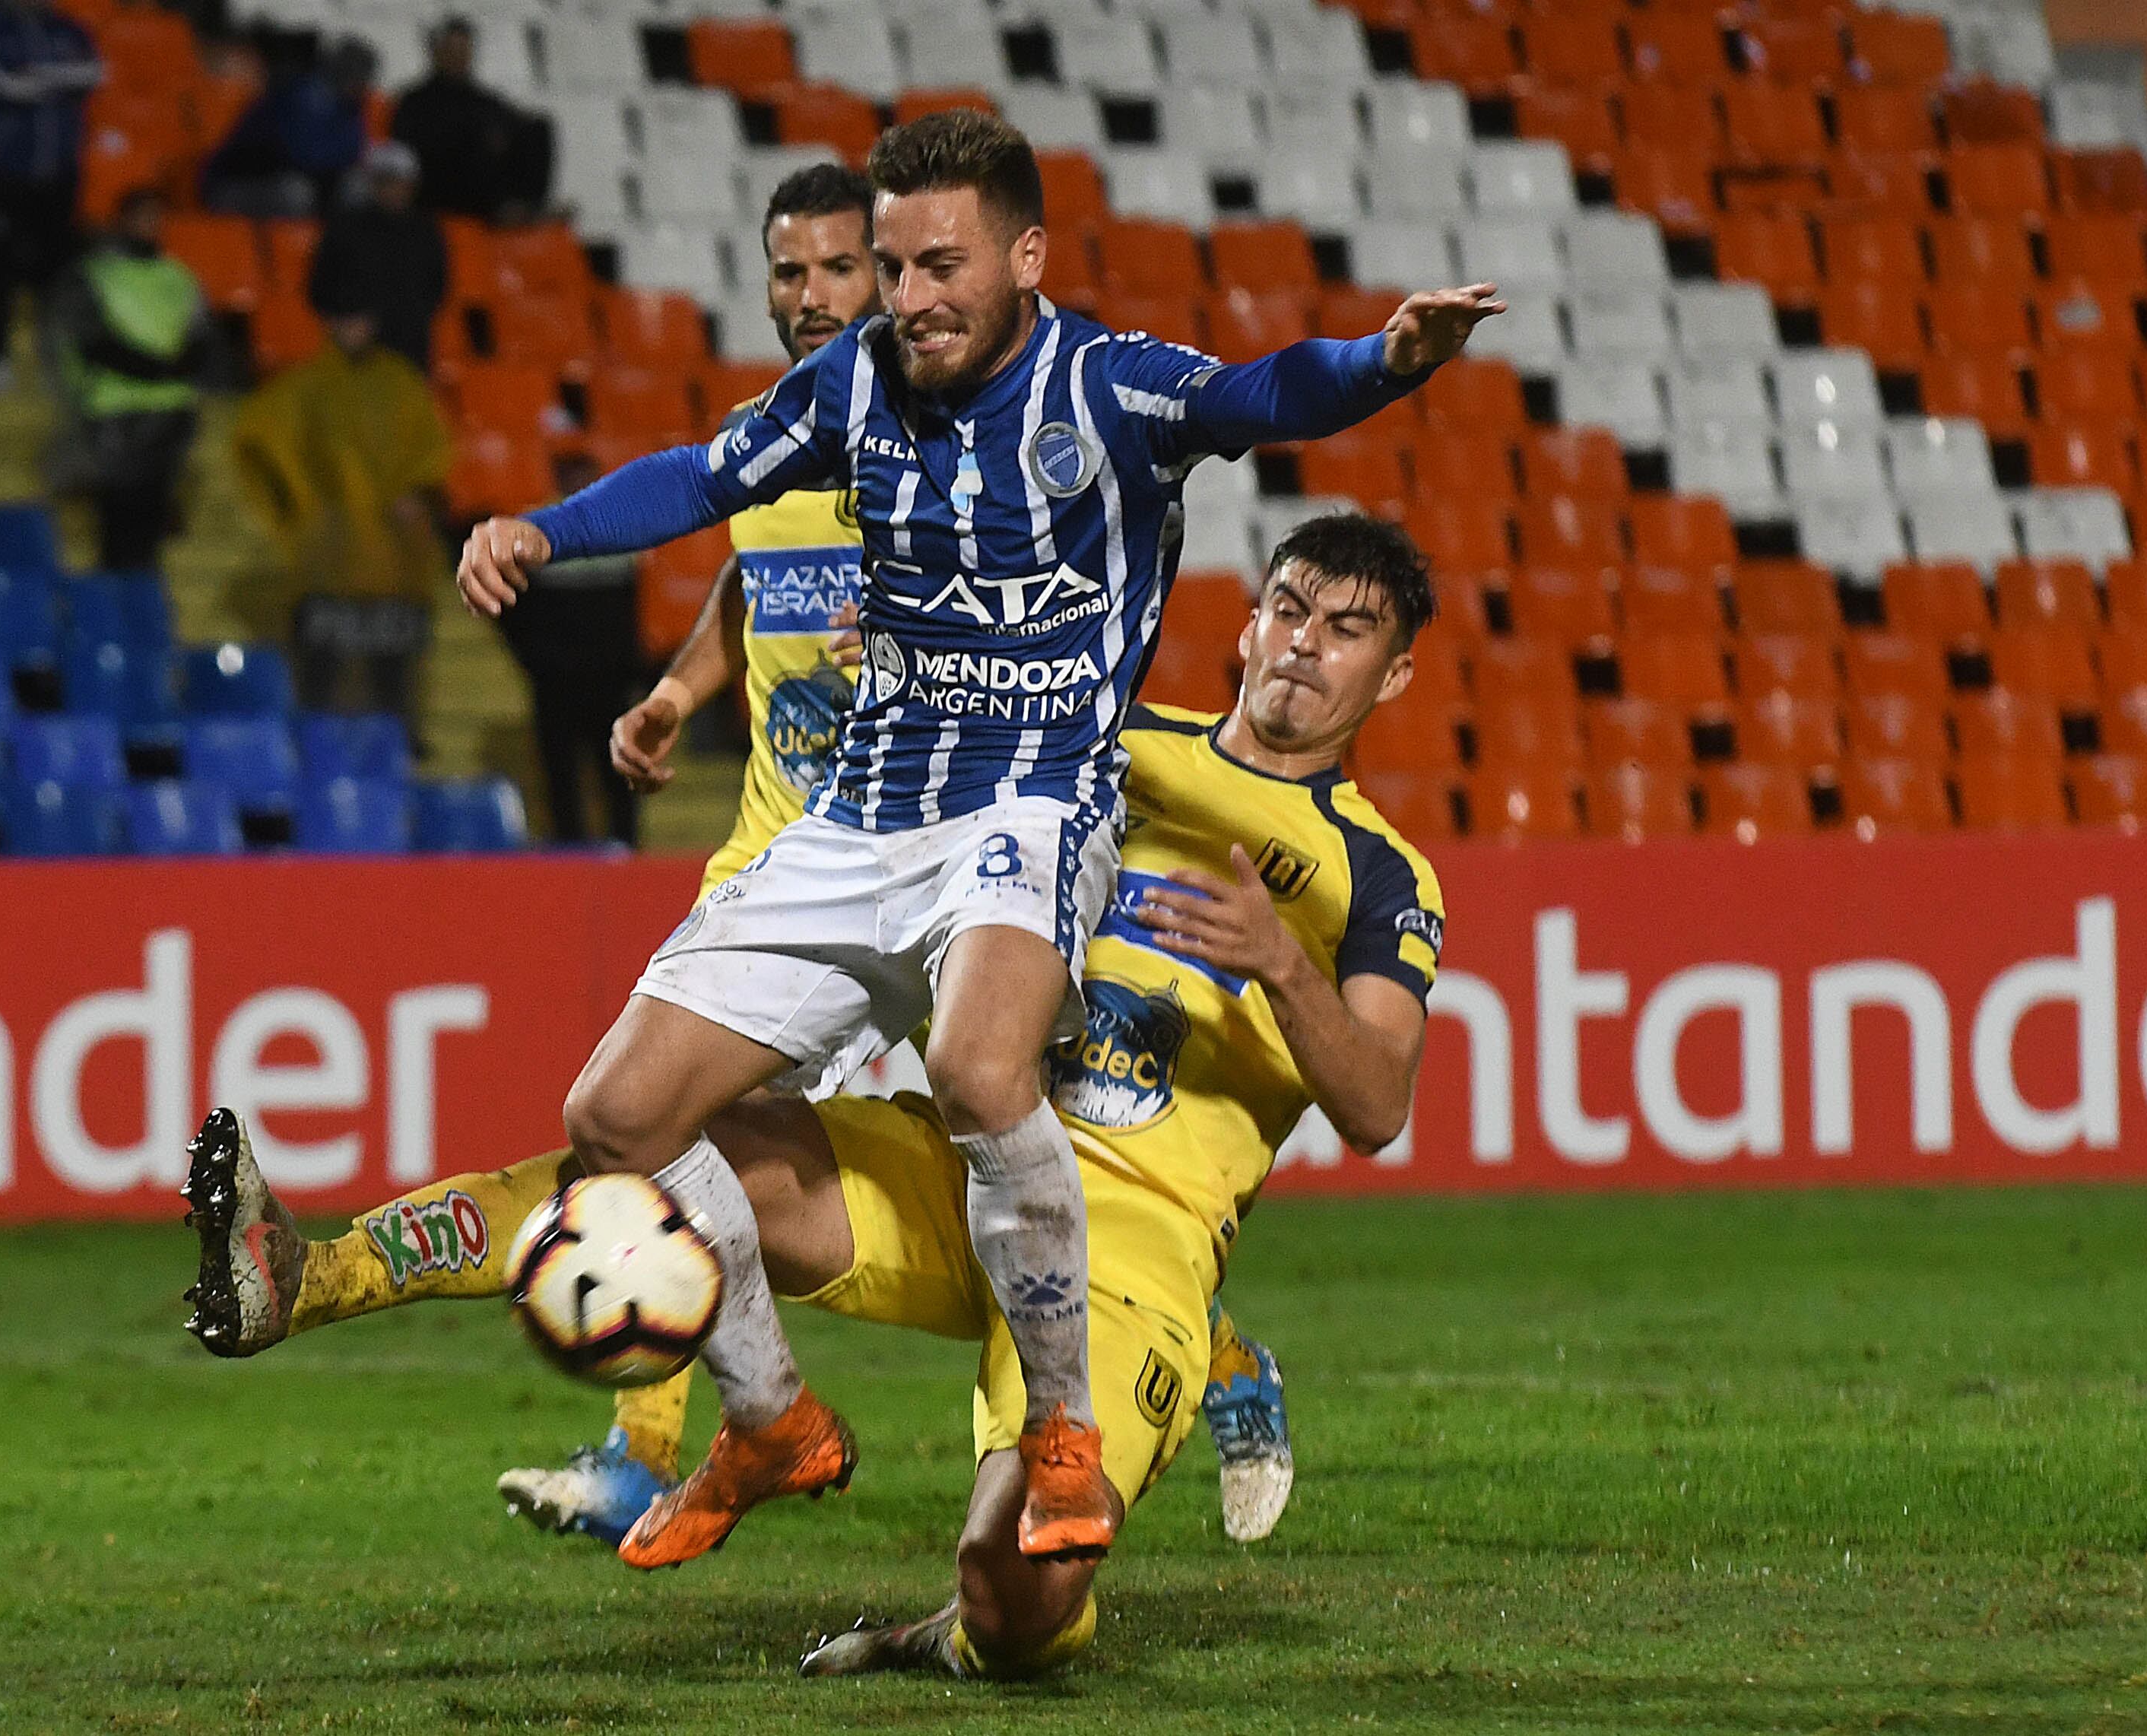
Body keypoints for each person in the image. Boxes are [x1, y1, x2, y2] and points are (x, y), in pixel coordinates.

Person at [452, 109, 1497, 1570]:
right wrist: (543, 530)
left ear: (1022, 254)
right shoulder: (852, 381)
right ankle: (765, 1420)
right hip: (860, 808)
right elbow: (703, 476)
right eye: (889, 265)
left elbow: (1271, 391)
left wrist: (1383, 365)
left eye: (938, 263)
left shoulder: (1112, 385)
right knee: (613, 1119)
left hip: (1029, 802)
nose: (908, 296)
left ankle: (1060, 1431)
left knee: (974, 1063)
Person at [182, 510, 1448, 1680]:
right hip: (952, 1172)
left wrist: (1280, 960)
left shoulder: (1379, 876)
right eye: (1288, 608)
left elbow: (1378, 1097)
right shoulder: (1103, 743)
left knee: (1014, 1595)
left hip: (1129, 1246)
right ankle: (361, 1289)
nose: (1302, 647)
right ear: (1246, 621)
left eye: (1346, 632)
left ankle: (965, 1620)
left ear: (1388, 676)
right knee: (663, 1145)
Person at [231, 309, 450, 720]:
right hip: (329, 563)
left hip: (393, 565)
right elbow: (259, 442)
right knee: (320, 679)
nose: (355, 326)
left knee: (391, 682)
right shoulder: (308, 385)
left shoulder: (400, 383)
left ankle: (393, 758)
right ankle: (321, 760)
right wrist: (298, 509)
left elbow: (432, 453)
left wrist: (415, 493)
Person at [0, 0, 102, 393]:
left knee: (56, 272)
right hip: (5, 174)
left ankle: (52, 359)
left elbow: (95, 71)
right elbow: (4, 81)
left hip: (59, 176)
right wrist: (56, 81)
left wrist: (39, 79)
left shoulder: (68, 31)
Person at [59, 186, 213, 574]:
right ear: (123, 221)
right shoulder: (97, 275)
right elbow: (91, 341)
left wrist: (176, 370)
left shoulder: (179, 277)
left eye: (156, 217)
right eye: (141, 216)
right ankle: (116, 606)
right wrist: (156, 370)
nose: (150, 225)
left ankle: (143, 605)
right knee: (119, 517)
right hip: (116, 410)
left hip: (170, 412)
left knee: (153, 518)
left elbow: (201, 338)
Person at [496, 451, 645, 844]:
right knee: (560, 772)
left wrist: (633, 669)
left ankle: (625, 850)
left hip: (609, 678)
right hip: (556, 678)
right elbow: (515, 612)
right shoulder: (532, 529)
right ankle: (568, 850)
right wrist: (537, 662)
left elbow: (631, 611)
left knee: (618, 769)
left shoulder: (623, 526)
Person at [386, 17, 553, 224]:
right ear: (436, 53)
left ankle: (525, 206)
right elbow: (407, 150)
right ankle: (499, 207)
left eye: (462, 50)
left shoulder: (483, 99)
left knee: (538, 128)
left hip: (487, 181)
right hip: (440, 186)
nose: (457, 57)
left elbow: (512, 126)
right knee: (473, 134)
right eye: (450, 50)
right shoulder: (415, 100)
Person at [306, 140, 448, 374]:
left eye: (401, 182)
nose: (395, 189)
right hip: (353, 345)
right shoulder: (345, 228)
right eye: (386, 181)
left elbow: (436, 289)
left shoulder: (426, 232)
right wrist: (345, 322)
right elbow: (321, 287)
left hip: (408, 344)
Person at [200, 36, 376, 220]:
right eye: (359, 78)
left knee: (357, 188)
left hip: (293, 180)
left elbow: (354, 152)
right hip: (235, 186)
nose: (362, 87)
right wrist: (337, 160)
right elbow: (303, 155)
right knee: (296, 193)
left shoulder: (349, 106)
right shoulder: (298, 95)